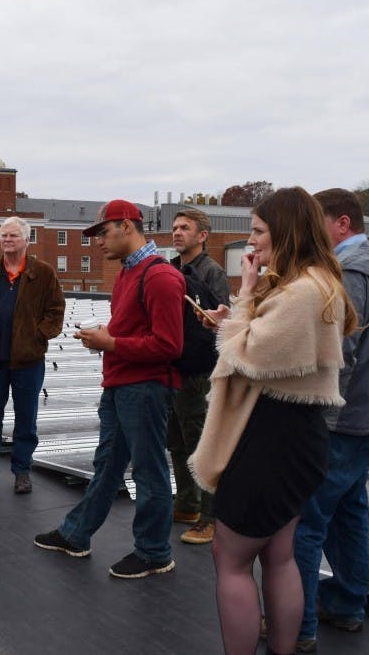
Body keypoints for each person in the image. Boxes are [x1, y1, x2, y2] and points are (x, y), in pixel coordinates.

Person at [188, 187, 357, 655]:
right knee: (279, 555)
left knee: (232, 556)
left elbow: (247, 354)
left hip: (269, 438)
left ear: (285, 231)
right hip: (293, 436)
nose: (252, 242)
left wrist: (242, 297)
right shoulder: (316, 284)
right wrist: (240, 315)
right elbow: (262, 341)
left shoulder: (304, 291)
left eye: (259, 231)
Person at [33, 200, 184, 580]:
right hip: (121, 385)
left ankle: (154, 552)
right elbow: (130, 330)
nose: (98, 242)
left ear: (127, 226)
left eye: (103, 232)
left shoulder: (161, 277)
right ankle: (76, 534)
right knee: (107, 468)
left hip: (146, 389)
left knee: (149, 472)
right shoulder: (126, 274)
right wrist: (105, 338)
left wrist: (111, 344)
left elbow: (169, 346)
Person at [293, 188, 369, 653]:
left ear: (342, 224)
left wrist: (311, 413)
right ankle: (347, 603)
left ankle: (296, 623)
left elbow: (341, 355)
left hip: (342, 420)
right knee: (350, 510)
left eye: (318, 224)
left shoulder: (349, 272)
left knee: (305, 520)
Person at [0, 216, 65, 494]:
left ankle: (22, 471)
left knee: (26, 418)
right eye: (3, 236)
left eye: (13, 236)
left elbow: (56, 310)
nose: (7, 240)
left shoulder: (43, 274)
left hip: (28, 360)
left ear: (26, 241)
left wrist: (38, 334)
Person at [168, 208, 230, 545]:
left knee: (200, 444)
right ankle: (187, 504)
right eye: (175, 228)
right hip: (177, 368)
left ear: (202, 236)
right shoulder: (174, 270)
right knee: (177, 442)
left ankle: (210, 517)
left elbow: (218, 324)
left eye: (185, 228)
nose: (177, 233)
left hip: (200, 372)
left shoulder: (212, 273)